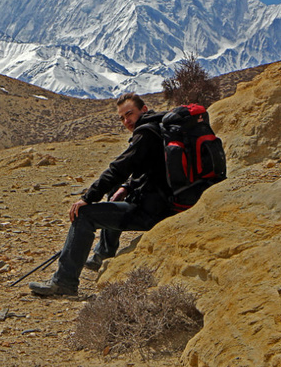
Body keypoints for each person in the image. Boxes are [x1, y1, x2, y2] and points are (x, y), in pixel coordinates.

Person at [29, 93, 173, 296]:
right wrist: (127, 187)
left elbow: (118, 169)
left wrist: (87, 198)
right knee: (116, 190)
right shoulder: (162, 129)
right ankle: (102, 255)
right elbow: (151, 171)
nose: (126, 121)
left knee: (85, 215)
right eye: (122, 118)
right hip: (166, 202)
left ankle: (64, 283)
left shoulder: (146, 134)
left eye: (130, 114)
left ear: (144, 109)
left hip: (153, 211)